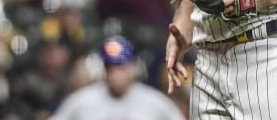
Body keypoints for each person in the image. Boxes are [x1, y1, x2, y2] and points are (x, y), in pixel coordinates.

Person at [49, 35, 185, 120]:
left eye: (121, 66)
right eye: (110, 67)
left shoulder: (155, 103)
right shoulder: (82, 101)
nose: (115, 73)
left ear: (133, 67)